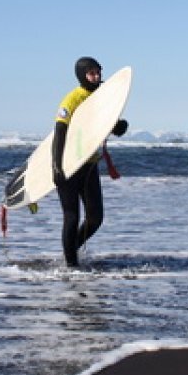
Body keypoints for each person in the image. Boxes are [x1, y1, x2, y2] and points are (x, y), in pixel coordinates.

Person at [52, 57, 128, 267]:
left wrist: (118, 127)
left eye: (98, 72)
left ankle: (70, 251)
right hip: (69, 165)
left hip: (90, 164)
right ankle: (71, 266)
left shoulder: (102, 98)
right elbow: (59, 134)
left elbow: (101, 124)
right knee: (72, 216)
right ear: (82, 75)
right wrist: (56, 166)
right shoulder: (72, 99)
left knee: (95, 218)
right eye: (91, 73)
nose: (96, 77)